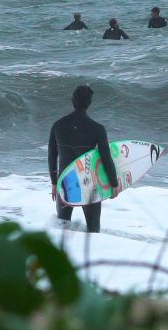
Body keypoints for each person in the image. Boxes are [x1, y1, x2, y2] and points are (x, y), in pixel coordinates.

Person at [48, 85, 120, 233]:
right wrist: (114, 184)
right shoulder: (97, 129)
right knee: (93, 232)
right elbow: (106, 158)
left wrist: (55, 183)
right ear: (90, 104)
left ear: (72, 101)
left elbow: (52, 156)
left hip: (65, 184)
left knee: (62, 229)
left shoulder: (57, 126)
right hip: (89, 185)